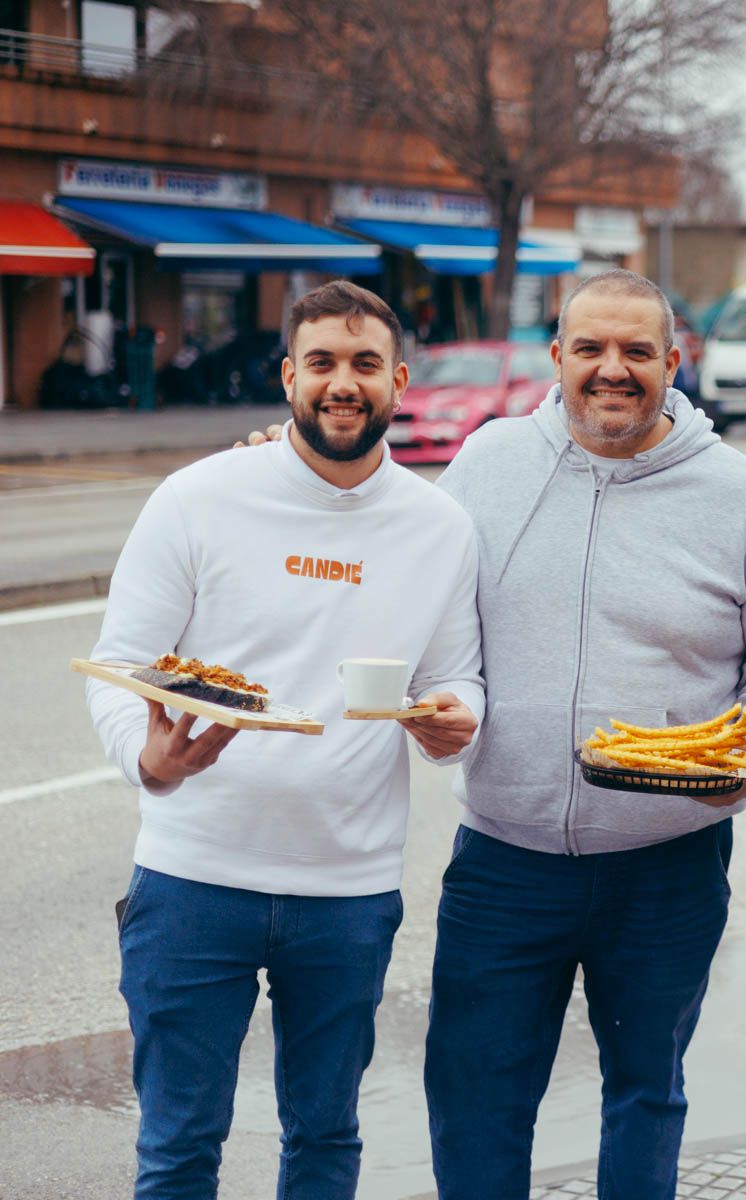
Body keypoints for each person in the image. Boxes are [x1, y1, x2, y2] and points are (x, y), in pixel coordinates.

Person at [417, 269, 746, 1199]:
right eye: (590, 348)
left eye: (637, 351)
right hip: (504, 859)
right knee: (474, 1095)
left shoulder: (739, 496)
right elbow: (433, 625)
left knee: (645, 1096)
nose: (613, 370)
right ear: (555, 357)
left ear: (673, 361)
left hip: (667, 863)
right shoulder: (487, 465)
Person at [86, 280, 484, 1199]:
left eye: (364, 364)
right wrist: (147, 762)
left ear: (399, 379)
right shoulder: (197, 498)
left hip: (346, 891)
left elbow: (459, 677)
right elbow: (121, 662)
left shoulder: (441, 527)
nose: (342, 384)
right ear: (288, 376)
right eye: (322, 364)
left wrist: (455, 723)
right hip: (192, 881)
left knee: (325, 1139)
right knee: (179, 1148)